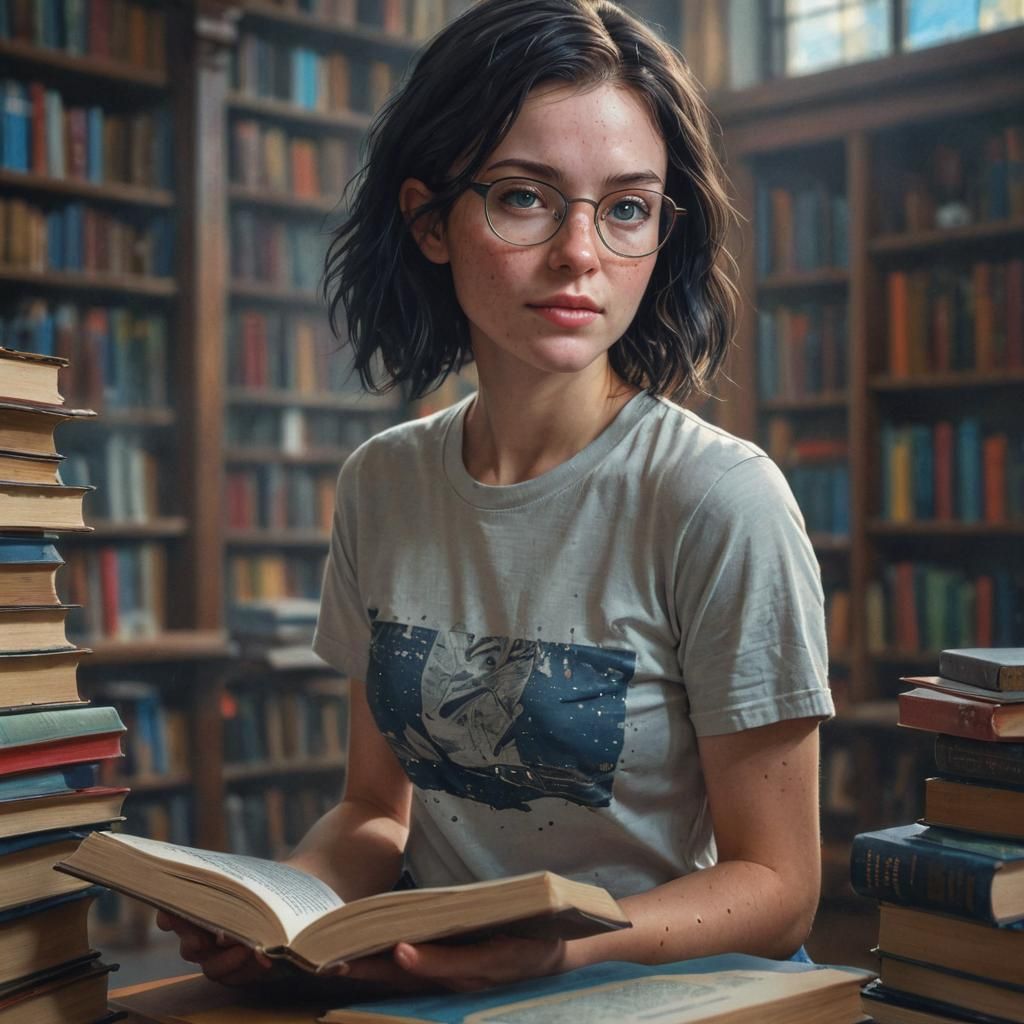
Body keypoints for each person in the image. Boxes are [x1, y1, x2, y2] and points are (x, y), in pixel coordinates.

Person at [160, 0, 834, 994]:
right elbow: (373, 813)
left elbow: (780, 889)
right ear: (431, 220)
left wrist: (566, 946)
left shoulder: (718, 497)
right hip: (433, 981)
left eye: (627, 206)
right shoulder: (383, 482)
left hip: (653, 988)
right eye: (525, 197)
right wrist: (289, 905)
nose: (579, 254)